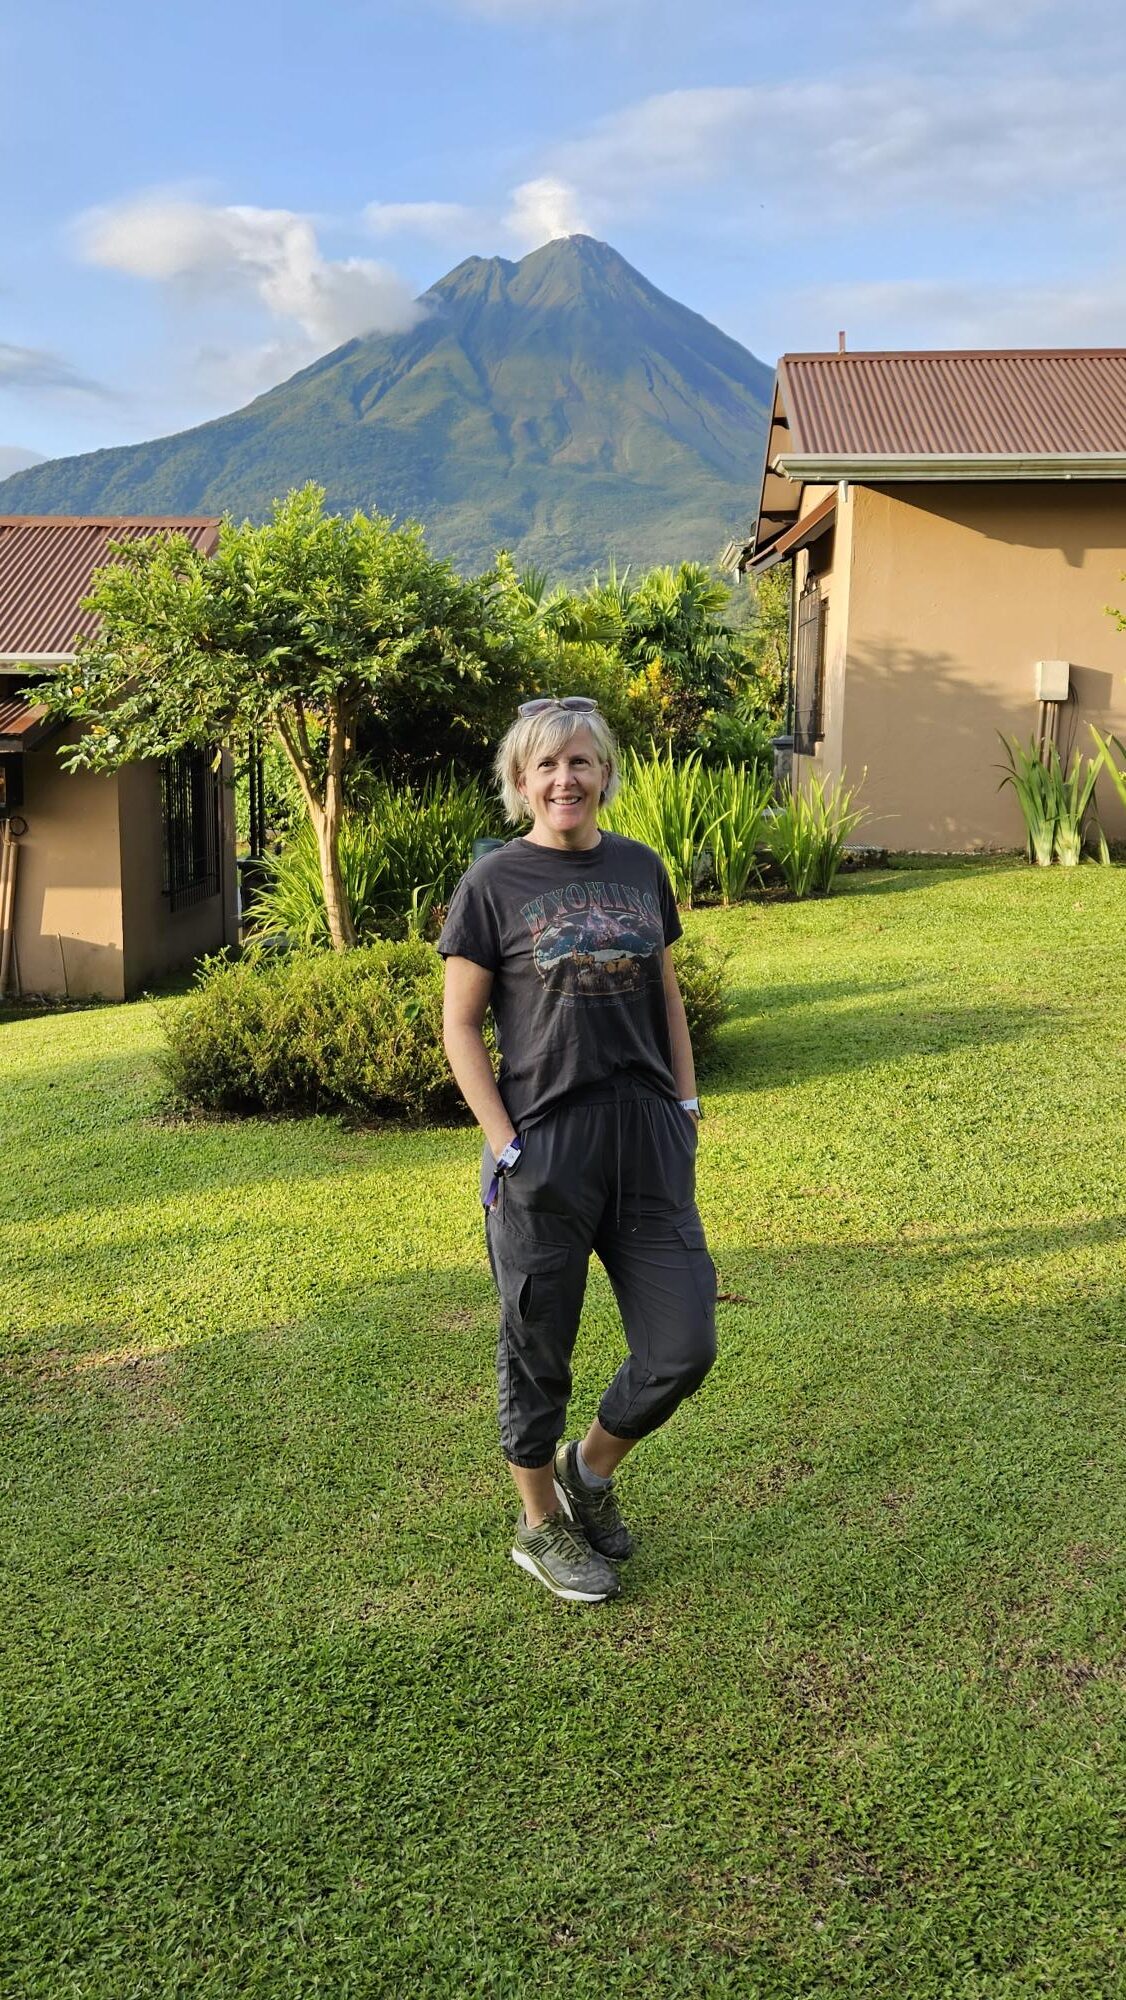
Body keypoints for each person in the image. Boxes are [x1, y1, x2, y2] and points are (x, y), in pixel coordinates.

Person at [439, 697, 717, 1604]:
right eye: (547, 765)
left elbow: (667, 995)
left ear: (604, 775)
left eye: (582, 762)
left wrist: (684, 1104)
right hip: (546, 1145)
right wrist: (504, 1141)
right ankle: (539, 1525)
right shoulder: (493, 883)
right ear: (521, 782)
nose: (566, 779)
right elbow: (460, 1023)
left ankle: (587, 1471)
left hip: (647, 1137)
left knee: (683, 1344)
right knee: (538, 1344)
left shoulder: (641, 867)